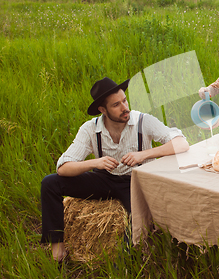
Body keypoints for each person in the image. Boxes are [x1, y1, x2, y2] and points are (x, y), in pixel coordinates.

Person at [40, 77, 189, 262]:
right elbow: (63, 168)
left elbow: (181, 143)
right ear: (103, 110)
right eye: (116, 105)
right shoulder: (90, 129)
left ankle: (128, 261)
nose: (124, 107)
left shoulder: (143, 121)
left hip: (137, 182)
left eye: (124, 100)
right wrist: (94, 163)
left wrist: (144, 155)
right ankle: (58, 251)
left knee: (137, 227)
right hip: (104, 179)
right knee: (49, 183)